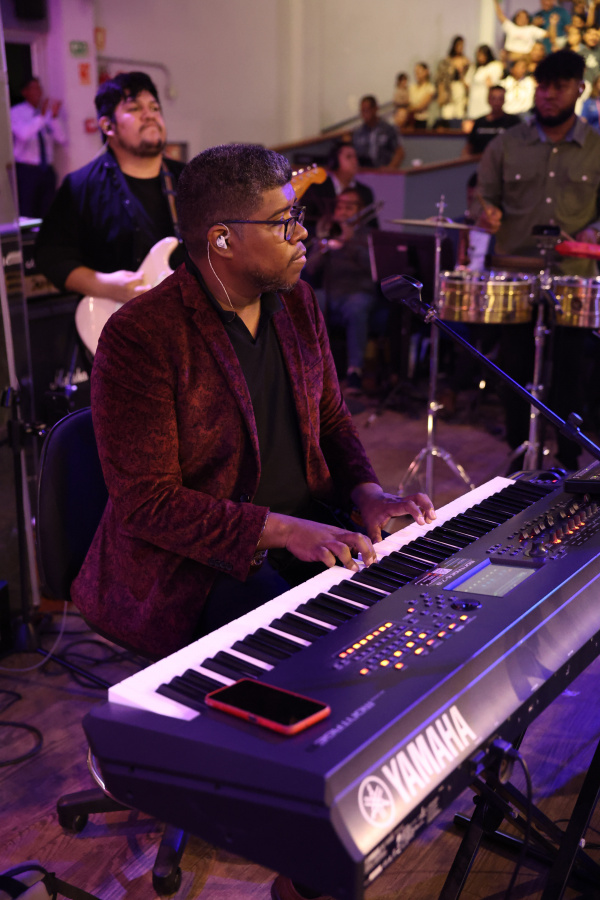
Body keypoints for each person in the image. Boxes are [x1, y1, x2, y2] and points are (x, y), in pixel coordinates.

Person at [70, 142, 435, 667]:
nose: (302, 232)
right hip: (197, 565)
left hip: (308, 528)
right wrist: (284, 530)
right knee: (308, 659)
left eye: (298, 216)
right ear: (222, 239)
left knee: (403, 614)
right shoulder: (141, 335)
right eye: (284, 222)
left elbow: (331, 419)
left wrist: (368, 492)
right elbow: (148, 504)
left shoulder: (297, 301)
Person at [477, 49, 600, 470]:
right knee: (513, 369)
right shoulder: (506, 144)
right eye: (542, 87)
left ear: (579, 89)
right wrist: (486, 213)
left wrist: (594, 230)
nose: (548, 95)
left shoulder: (596, 148)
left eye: (559, 87)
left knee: (569, 373)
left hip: (573, 276)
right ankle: (518, 457)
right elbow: (483, 197)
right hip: (516, 274)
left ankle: (569, 458)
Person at [35, 71, 184, 305]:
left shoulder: (192, 178)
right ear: (107, 125)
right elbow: (51, 256)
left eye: (154, 108)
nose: (149, 115)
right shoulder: (80, 186)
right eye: (134, 108)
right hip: (115, 320)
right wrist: (103, 285)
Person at [304, 187, 380, 395]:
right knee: (308, 300)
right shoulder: (328, 230)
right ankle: (310, 366)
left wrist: (349, 242)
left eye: (349, 207)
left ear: (360, 211)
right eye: (340, 207)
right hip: (331, 291)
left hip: (359, 292)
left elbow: (374, 269)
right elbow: (310, 268)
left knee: (356, 309)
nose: (343, 212)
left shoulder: (368, 235)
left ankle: (355, 372)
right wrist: (322, 247)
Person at [10, 76, 66, 218]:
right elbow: (24, 134)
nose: (38, 92)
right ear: (25, 92)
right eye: (34, 88)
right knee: (27, 210)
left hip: (47, 170)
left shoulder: (46, 113)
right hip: (27, 170)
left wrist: (53, 117)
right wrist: (41, 117)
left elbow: (61, 138)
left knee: (48, 211)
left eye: (39, 88)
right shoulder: (16, 112)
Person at [301, 141, 375, 239]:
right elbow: (304, 224)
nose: (355, 161)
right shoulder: (316, 189)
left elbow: (372, 227)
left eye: (356, 157)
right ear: (334, 161)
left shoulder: (365, 192)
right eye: (349, 157)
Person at [463, 85, 520, 155]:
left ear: (504, 100)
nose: (497, 102)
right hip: (478, 160)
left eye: (500, 98)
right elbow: (469, 146)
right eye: (493, 98)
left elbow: (519, 145)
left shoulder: (513, 121)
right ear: (488, 99)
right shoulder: (479, 122)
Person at [352, 95, 405, 168]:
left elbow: (399, 152)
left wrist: (390, 168)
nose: (364, 114)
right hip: (363, 171)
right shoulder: (358, 132)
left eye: (367, 110)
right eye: (362, 111)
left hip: (382, 171)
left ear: (375, 109)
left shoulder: (388, 129)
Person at [436, 36, 470, 126]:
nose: (460, 47)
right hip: (448, 90)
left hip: (460, 88)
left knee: (460, 113)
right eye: (458, 45)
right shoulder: (446, 61)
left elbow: (469, 79)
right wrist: (441, 92)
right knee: (447, 114)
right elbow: (441, 78)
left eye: (462, 45)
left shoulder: (466, 61)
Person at [465, 45, 505, 121]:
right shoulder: (474, 67)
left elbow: (493, 84)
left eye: (482, 55)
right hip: (474, 100)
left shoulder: (494, 66)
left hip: (485, 99)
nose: (480, 57)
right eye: (478, 55)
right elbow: (467, 81)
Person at [407, 62, 437, 128]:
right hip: (411, 120)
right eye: (415, 72)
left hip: (424, 120)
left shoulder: (430, 88)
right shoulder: (412, 87)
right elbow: (407, 102)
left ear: (426, 72)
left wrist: (410, 109)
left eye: (419, 71)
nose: (416, 74)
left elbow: (421, 106)